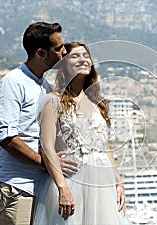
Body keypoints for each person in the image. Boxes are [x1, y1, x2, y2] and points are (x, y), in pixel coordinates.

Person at [33, 42, 130, 225]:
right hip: (72, 179)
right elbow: (46, 146)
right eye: (75, 56)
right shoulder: (53, 101)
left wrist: (118, 182)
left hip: (103, 183)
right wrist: (63, 188)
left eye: (86, 56)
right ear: (64, 65)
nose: (83, 59)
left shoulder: (96, 101)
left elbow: (105, 145)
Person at [0, 22, 79, 225]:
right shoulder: (13, 82)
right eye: (58, 48)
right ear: (41, 53)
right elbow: (7, 138)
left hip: (43, 188)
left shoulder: (46, 87)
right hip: (17, 188)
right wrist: (47, 164)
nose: (64, 52)